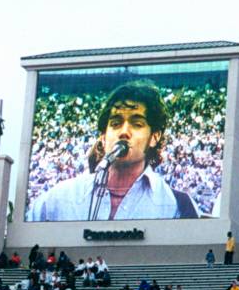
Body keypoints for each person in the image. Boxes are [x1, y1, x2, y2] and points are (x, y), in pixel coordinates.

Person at [29, 80, 200, 221]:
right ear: (103, 136)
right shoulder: (57, 200)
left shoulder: (176, 205)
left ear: (154, 137)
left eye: (137, 124)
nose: (124, 132)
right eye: (116, 123)